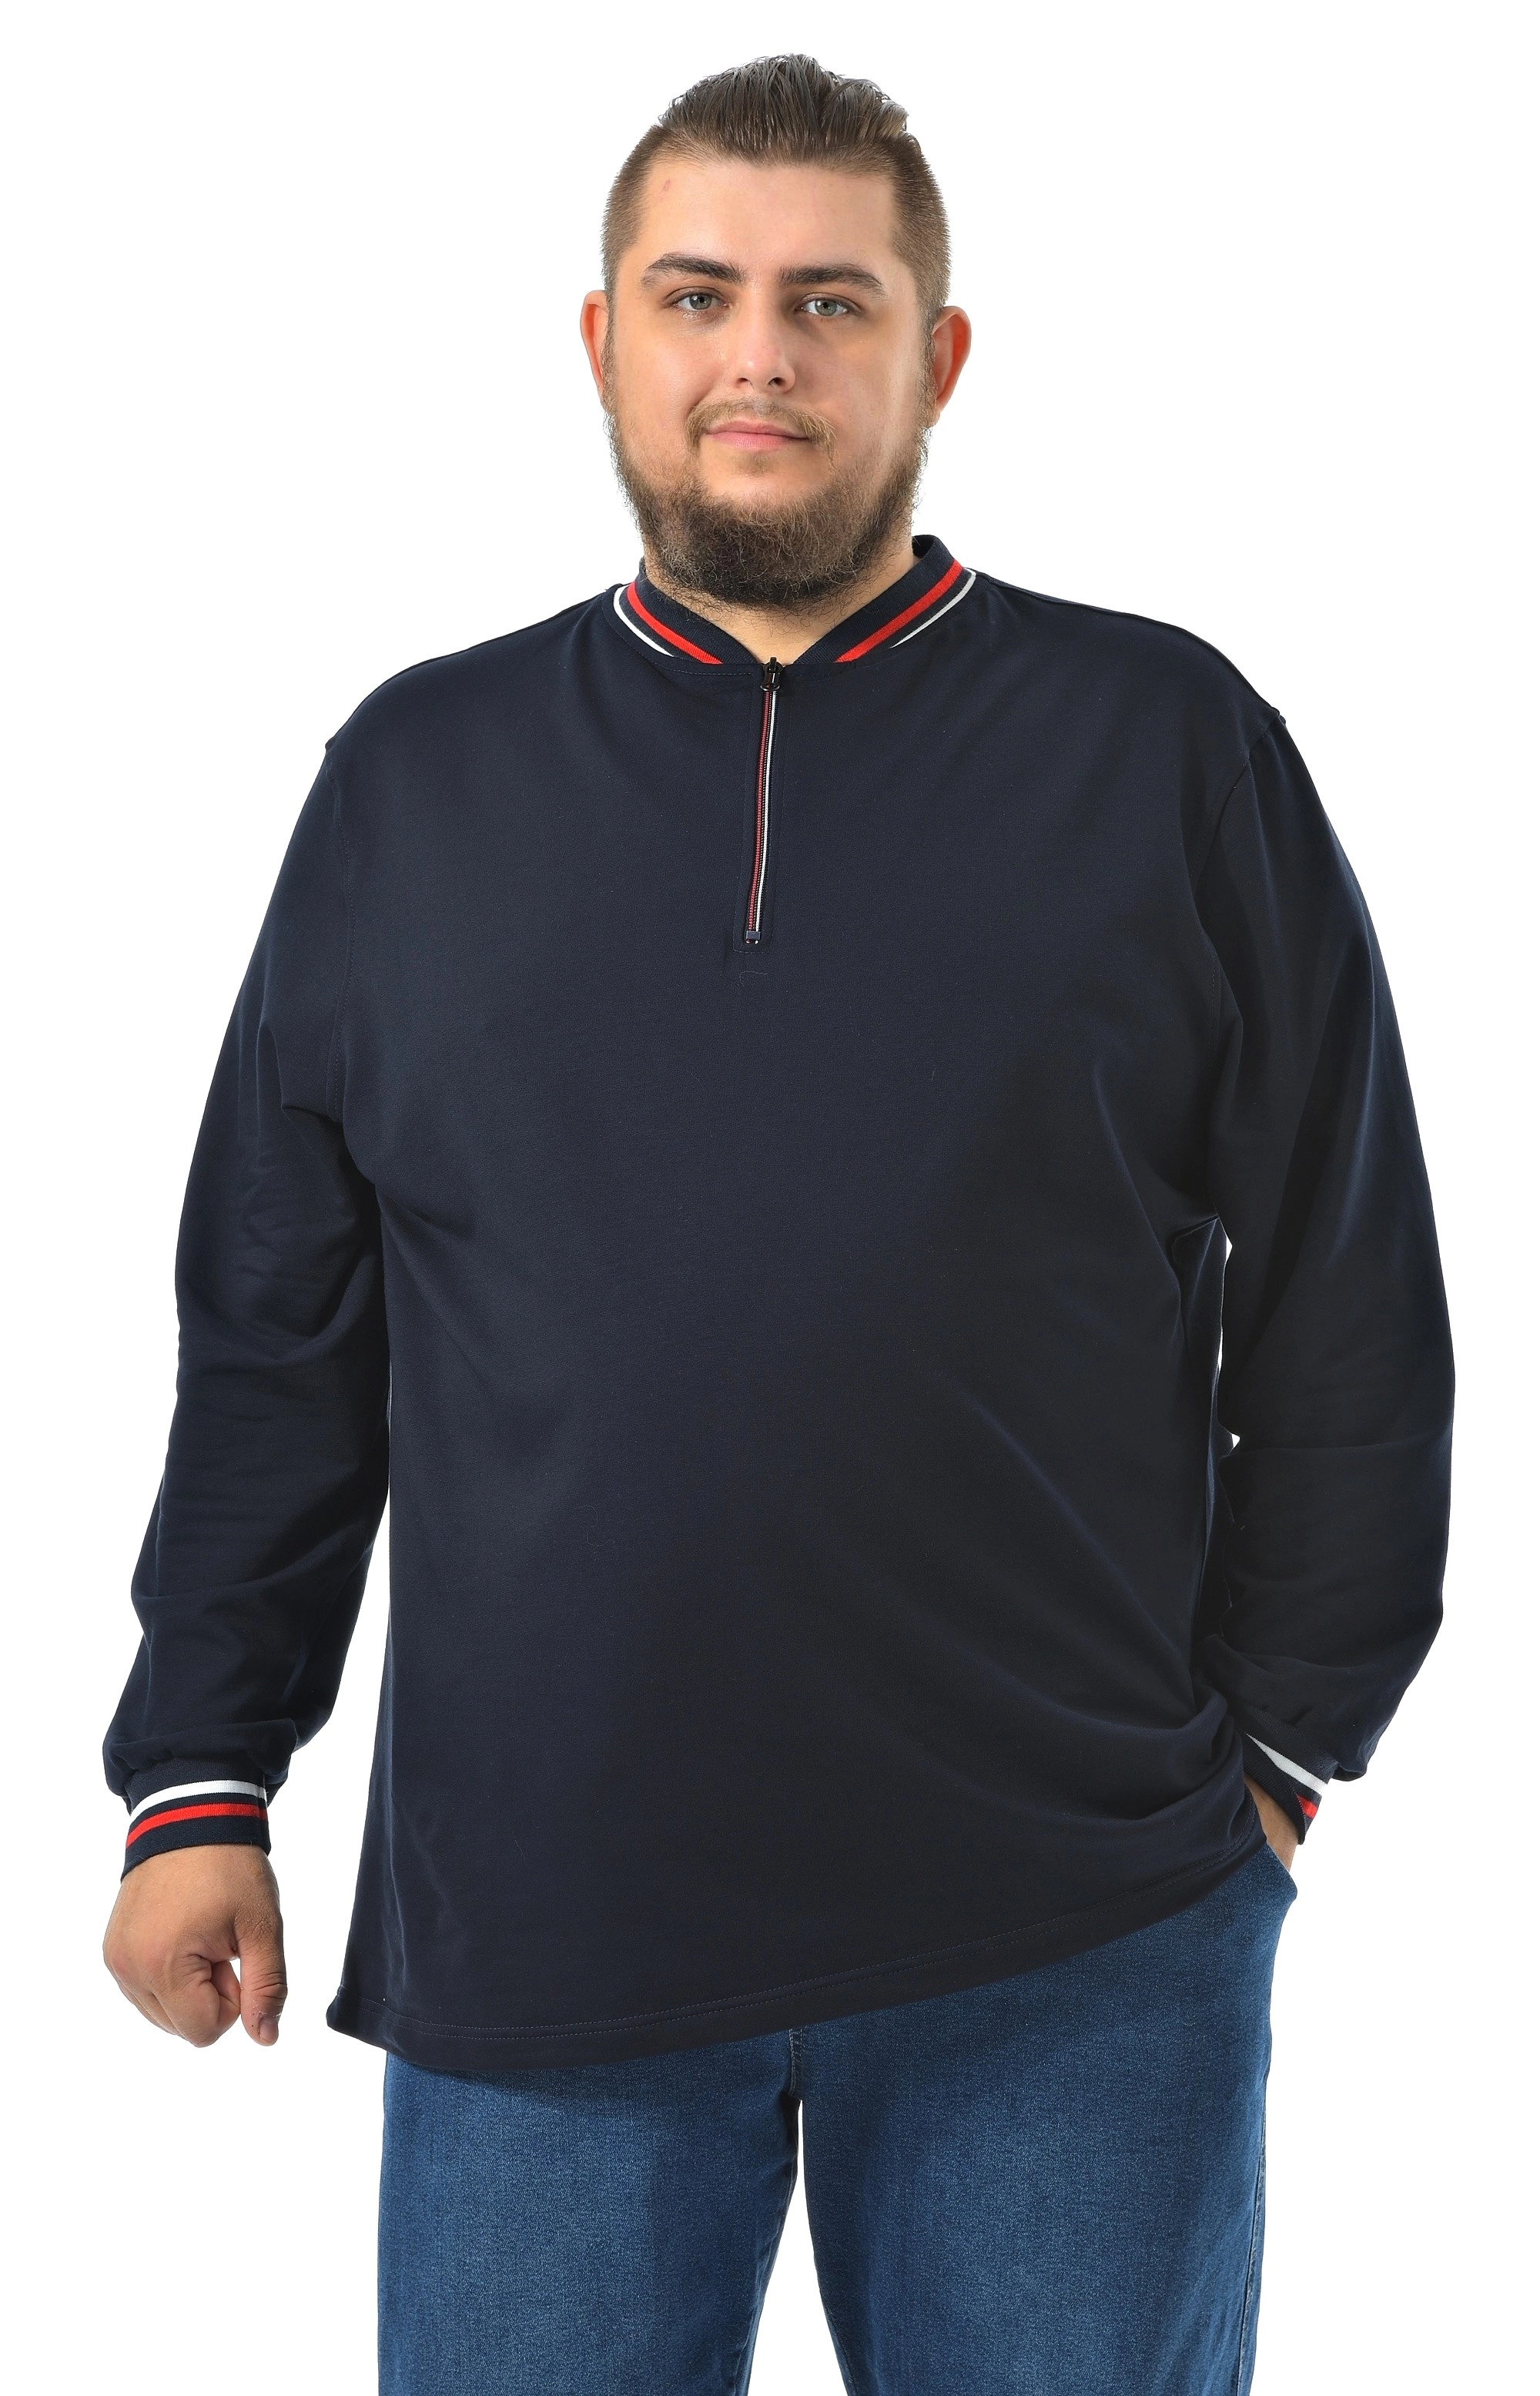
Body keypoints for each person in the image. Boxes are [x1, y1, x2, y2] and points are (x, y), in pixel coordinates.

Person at [101, 52, 1454, 2396]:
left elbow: (1351, 1292)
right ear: (601, 338)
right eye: (696, 292)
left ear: (938, 355)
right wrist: (198, 1775)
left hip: (1078, 1942)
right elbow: (280, 1333)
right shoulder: (414, 781)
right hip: (548, 1941)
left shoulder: (1166, 748)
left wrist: (1285, 1753)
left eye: (832, 300)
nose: (761, 356)